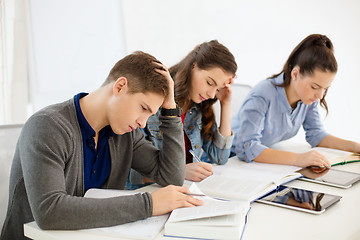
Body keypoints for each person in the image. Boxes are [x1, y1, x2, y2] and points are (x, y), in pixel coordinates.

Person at [0, 51, 203, 240]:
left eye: (150, 114)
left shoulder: (126, 134)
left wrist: (170, 110)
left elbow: (172, 177)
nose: (143, 122)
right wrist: (149, 205)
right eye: (143, 108)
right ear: (120, 86)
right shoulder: (47, 126)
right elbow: (49, 211)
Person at [231, 34, 360, 168]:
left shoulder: (308, 98)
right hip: (228, 159)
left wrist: (355, 147)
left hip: (254, 164)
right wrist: (298, 159)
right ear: (295, 74)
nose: (320, 95)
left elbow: (316, 135)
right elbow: (246, 148)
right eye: (315, 87)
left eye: (325, 88)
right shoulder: (262, 94)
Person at [127, 40, 237, 189]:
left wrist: (225, 103)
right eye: (210, 83)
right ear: (193, 66)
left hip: (184, 189)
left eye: (217, 89)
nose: (211, 95)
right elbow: (129, 173)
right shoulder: (153, 102)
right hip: (149, 192)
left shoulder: (199, 107)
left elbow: (220, 157)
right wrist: (180, 172)